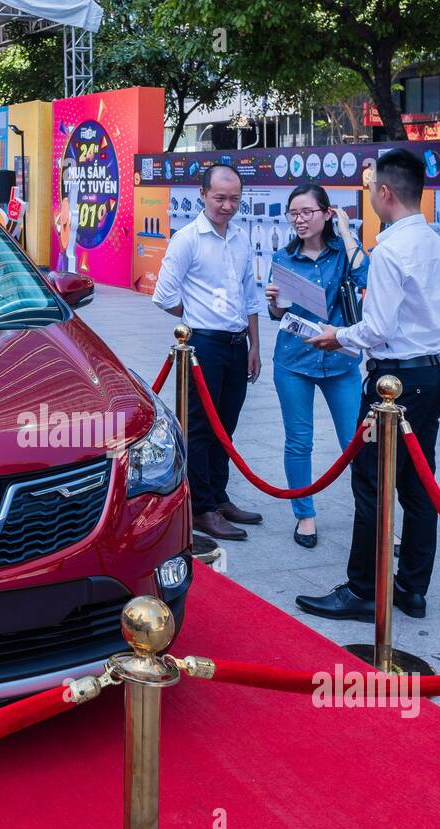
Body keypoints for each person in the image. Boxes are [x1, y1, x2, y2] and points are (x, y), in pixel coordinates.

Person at [295, 148, 440, 621]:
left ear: (385, 193)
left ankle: (363, 588)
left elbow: (376, 329)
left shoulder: (389, 250)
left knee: (370, 483)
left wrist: (335, 336)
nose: (368, 197)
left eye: (369, 189)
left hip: (394, 382)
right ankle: (412, 589)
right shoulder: (433, 243)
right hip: (431, 373)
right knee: (419, 485)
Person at [151, 162, 263, 542]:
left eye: (234, 199)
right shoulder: (188, 239)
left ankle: (218, 494)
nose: (228, 206)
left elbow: (251, 294)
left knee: (226, 427)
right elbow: (163, 295)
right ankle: (201, 507)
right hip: (203, 347)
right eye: (220, 198)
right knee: (200, 428)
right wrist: (196, 316)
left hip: (236, 345)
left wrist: (255, 345)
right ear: (202, 194)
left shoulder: (241, 237)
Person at [264, 185, 368, 549]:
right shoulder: (283, 256)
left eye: (307, 211)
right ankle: (304, 515)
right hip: (293, 359)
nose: (300, 219)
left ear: (327, 213)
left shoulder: (343, 254)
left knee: (356, 443)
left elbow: (366, 279)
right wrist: (276, 304)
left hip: (340, 359)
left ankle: (374, 516)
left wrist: (347, 234)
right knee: (299, 441)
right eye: (294, 213)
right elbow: (276, 313)